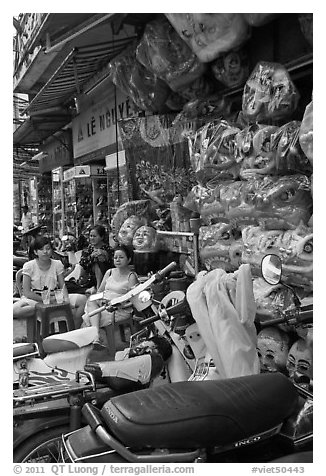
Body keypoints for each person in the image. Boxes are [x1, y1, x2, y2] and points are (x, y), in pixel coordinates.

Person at [13, 236, 87, 328]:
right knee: (14, 310)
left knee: (83, 300)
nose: (45, 252)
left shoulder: (57, 264)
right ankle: (43, 313)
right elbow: (27, 292)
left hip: (55, 297)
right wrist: (44, 301)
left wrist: (66, 301)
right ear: (35, 252)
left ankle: (73, 330)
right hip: (35, 299)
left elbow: (62, 286)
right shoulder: (29, 266)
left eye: (48, 248)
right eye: (41, 249)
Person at [83, 244, 139, 350]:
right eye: (115, 257)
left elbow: (134, 300)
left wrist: (118, 304)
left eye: (121, 257)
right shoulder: (109, 272)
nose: (117, 260)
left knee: (91, 315)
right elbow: (100, 291)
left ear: (129, 259)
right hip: (104, 305)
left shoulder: (131, 277)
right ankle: (96, 336)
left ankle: (95, 336)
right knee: (91, 301)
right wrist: (100, 300)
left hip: (119, 309)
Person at [79, 225, 113, 292]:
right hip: (89, 278)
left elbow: (113, 264)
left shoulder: (108, 249)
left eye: (94, 236)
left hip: (106, 277)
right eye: (91, 236)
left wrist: (106, 256)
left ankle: (99, 287)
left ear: (102, 237)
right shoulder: (87, 250)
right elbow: (82, 264)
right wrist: (92, 256)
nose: (92, 238)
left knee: (99, 259)